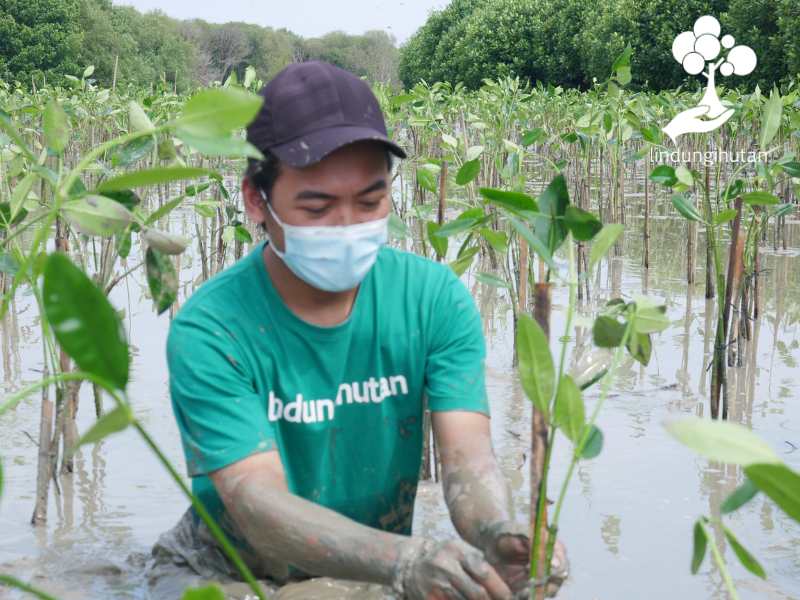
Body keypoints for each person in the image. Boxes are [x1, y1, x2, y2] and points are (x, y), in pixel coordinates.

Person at [149, 61, 567, 600]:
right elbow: (257, 502)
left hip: (373, 571)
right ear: (257, 200)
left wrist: (496, 532)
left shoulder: (433, 299)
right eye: (317, 207)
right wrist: (406, 559)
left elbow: (469, 461)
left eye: (370, 202)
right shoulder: (211, 328)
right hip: (226, 571)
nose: (348, 225)